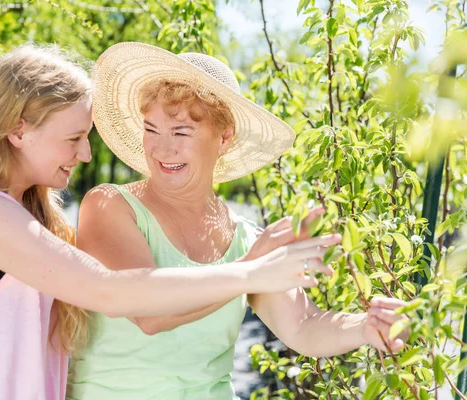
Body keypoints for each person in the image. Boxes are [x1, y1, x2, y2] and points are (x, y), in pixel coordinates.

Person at [0, 44, 335, 400]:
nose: (85, 154)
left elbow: (305, 326)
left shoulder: (25, 214)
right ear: (17, 130)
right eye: (73, 138)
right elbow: (112, 292)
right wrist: (250, 271)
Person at [67, 42, 409, 400]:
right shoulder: (109, 205)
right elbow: (149, 314)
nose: (161, 149)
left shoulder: (245, 237)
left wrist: (366, 326)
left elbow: (305, 326)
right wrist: (251, 267)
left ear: (224, 137)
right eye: (151, 129)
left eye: (181, 132)